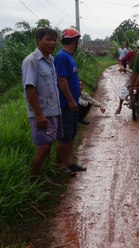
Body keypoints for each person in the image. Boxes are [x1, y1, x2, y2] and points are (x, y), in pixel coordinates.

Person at [22, 27, 62, 178]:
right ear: (38, 40)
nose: (53, 43)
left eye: (54, 39)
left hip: (53, 110)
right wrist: (38, 114)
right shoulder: (31, 61)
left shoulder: (51, 60)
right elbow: (29, 88)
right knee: (43, 147)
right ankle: (34, 181)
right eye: (48, 39)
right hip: (41, 113)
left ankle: (43, 179)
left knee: (49, 145)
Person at [55, 28, 85, 176]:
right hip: (66, 104)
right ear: (75, 42)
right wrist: (71, 100)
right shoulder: (62, 57)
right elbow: (61, 79)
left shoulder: (69, 56)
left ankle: (69, 162)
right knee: (64, 136)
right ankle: (60, 165)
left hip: (72, 103)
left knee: (71, 134)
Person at [116, 39, 139, 114]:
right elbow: (122, 60)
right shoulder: (131, 53)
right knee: (124, 89)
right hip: (132, 73)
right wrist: (121, 66)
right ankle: (119, 106)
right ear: (137, 47)